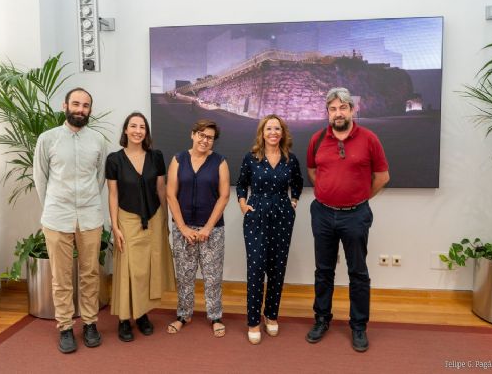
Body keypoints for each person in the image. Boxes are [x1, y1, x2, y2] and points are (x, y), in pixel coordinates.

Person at [305, 87, 389, 352]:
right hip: (322, 213)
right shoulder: (317, 139)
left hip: (356, 215)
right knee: (323, 271)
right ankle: (321, 319)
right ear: (327, 113)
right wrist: (330, 193)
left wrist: (357, 199)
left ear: (353, 109)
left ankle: (359, 326)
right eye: (332, 109)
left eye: (343, 108)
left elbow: (382, 178)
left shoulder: (369, 139)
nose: (337, 113)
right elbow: (312, 170)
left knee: (358, 273)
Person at [34, 88, 107, 354]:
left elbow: (99, 179)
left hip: (89, 216)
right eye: (76, 104)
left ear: (90, 110)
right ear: (65, 105)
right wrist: (55, 205)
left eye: (85, 105)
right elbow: (40, 179)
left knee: (89, 273)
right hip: (57, 217)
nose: (80, 109)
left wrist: (85, 201)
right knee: (61, 277)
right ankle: (65, 327)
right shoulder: (48, 139)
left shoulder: (98, 140)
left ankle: (89, 323)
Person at [106, 112, 175, 342]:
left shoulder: (156, 157)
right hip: (126, 219)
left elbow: (161, 189)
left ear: (146, 132)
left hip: (154, 218)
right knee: (129, 269)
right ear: (125, 130)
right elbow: (113, 194)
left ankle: (143, 314)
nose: (138, 130)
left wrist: (166, 220)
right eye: (133, 126)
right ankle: (124, 318)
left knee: (147, 268)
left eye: (142, 127)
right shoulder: (114, 159)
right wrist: (114, 226)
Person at [236, 114, 303, 345]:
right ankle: (253, 321)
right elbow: (241, 184)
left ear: (282, 133)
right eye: (269, 128)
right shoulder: (251, 158)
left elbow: (298, 183)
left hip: (283, 216)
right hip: (256, 216)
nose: (273, 132)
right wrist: (243, 205)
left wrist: (293, 202)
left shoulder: (290, 160)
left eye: (277, 129)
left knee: (277, 267)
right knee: (256, 267)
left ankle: (271, 315)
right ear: (262, 133)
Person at [165, 119, 230, 337]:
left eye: (209, 137)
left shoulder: (220, 162)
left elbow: (224, 196)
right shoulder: (178, 160)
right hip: (183, 230)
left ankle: (215, 316)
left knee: (212, 276)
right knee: (184, 275)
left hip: (212, 230)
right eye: (201, 135)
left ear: (213, 141)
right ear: (193, 134)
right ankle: (183, 314)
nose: (205, 140)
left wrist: (208, 228)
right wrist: (182, 227)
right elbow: (170, 194)